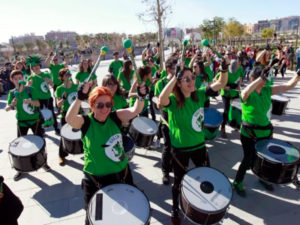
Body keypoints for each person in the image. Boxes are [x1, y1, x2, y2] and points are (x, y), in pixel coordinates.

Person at [66, 81, 147, 225]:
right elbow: (69, 119)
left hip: (122, 174)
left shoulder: (116, 117)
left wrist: (141, 97)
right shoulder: (86, 122)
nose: (105, 109)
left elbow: (135, 110)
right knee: (93, 218)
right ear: (92, 105)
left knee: (128, 212)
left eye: (108, 105)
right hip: (95, 179)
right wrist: (79, 98)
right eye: (100, 105)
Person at [158, 60, 229, 225]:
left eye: (192, 77)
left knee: (206, 177)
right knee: (178, 182)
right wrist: (174, 78)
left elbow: (221, 83)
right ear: (179, 83)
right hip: (180, 150)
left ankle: (206, 205)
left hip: (199, 147)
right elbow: (161, 99)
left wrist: (224, 69)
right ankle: (175, 209)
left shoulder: (201, 94)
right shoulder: (174, 102)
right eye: (186, 79)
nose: (191, 81)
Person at [233, 66, 300, 197]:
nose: (265, 80)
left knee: (266, 159)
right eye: (262, 78)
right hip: (249, 135)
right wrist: (259, 79)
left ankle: (263, 177)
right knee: (248, 159)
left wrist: (298, 74)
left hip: (265, 133)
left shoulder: (267, 90)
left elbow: (288, 85)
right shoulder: (247, 93)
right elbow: (244, 92)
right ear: (254, 79)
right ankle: (237, 182)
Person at [5, 70, 51, 181]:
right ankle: (20, 169)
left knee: (40, 143)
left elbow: (38, 103)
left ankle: (43, 162)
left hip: (35, 121)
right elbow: (7, 108)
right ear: (12, 80)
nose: (18, 80)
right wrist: (12, 104)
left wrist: (30, 102)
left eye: (20, 77)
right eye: (15, 79)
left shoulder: (30, 90)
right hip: (22, 123)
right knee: (20, 147)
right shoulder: (12, 93)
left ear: (23, 78)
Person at [154, 57, 178, 185]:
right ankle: (165, 172)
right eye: (175, 68)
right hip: (166, 121)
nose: (177, 70)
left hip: (178, 120)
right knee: (168, 147)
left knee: (177, 147)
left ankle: (175, 167)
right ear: (168, 70)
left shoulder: (179, 82)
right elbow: (159, 104)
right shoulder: (160, 84)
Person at [26, 55, 60, 134]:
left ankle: (56, 128)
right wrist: (28, 85)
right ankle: (42, 130)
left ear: (39, 66)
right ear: (31, 68)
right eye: (33, 66)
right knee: (40, 115)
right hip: (37, 100)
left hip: (47, 98)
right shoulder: (30, 77)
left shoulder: (46, 74)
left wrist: (49, 82)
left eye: (36, 65)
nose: (35, 67)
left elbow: (52, 86)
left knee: (51, 113)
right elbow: (27, 89)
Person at [55, 68, 78, 166]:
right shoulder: (59, 89)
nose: (68, 77)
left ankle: (86, 152)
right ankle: (62, 155)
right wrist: (63, 98)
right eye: (65, 75)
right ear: (62, 78)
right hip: (66, 113)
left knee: (83, 133)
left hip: (77, 113)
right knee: (64, 135)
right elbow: (58, 104)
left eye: (69, 75)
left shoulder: (76, 86)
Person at [219, 59, 243, 138]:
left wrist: (239, 85)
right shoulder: (225, 71)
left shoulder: (239, 70)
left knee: (238, 109)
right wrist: (224, 86)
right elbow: (216, 80)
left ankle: (236, 124)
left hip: (235, 92)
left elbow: (240, 78)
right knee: (226, 110)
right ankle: (222, 127)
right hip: (226, 94)